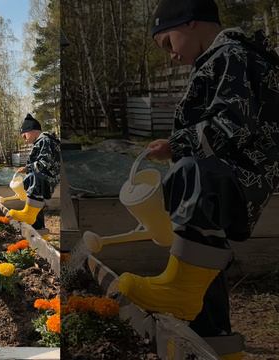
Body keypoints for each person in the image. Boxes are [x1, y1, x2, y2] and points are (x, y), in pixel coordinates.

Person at [117, 0, 279, 358]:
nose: (171, 56)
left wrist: (178, 145)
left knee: (191, 174)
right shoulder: (222, 59)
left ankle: (180, 293)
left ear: (189, 23)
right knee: (202, 261)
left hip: (235, 174)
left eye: (168, 43)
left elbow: (232, 122)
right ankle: (217, 344)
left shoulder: (231, 57)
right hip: (231, 175)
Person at [8, 114, 60, 226]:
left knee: (34, 179)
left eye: (24, 136)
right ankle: (39, 230)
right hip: (43, 179)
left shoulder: (45, 141)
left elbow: (44, 163)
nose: (24, 140)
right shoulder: (41, 142)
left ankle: (29, 215)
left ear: (33, 131)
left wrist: (28, 168)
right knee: (35, 202)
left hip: (47, 178)